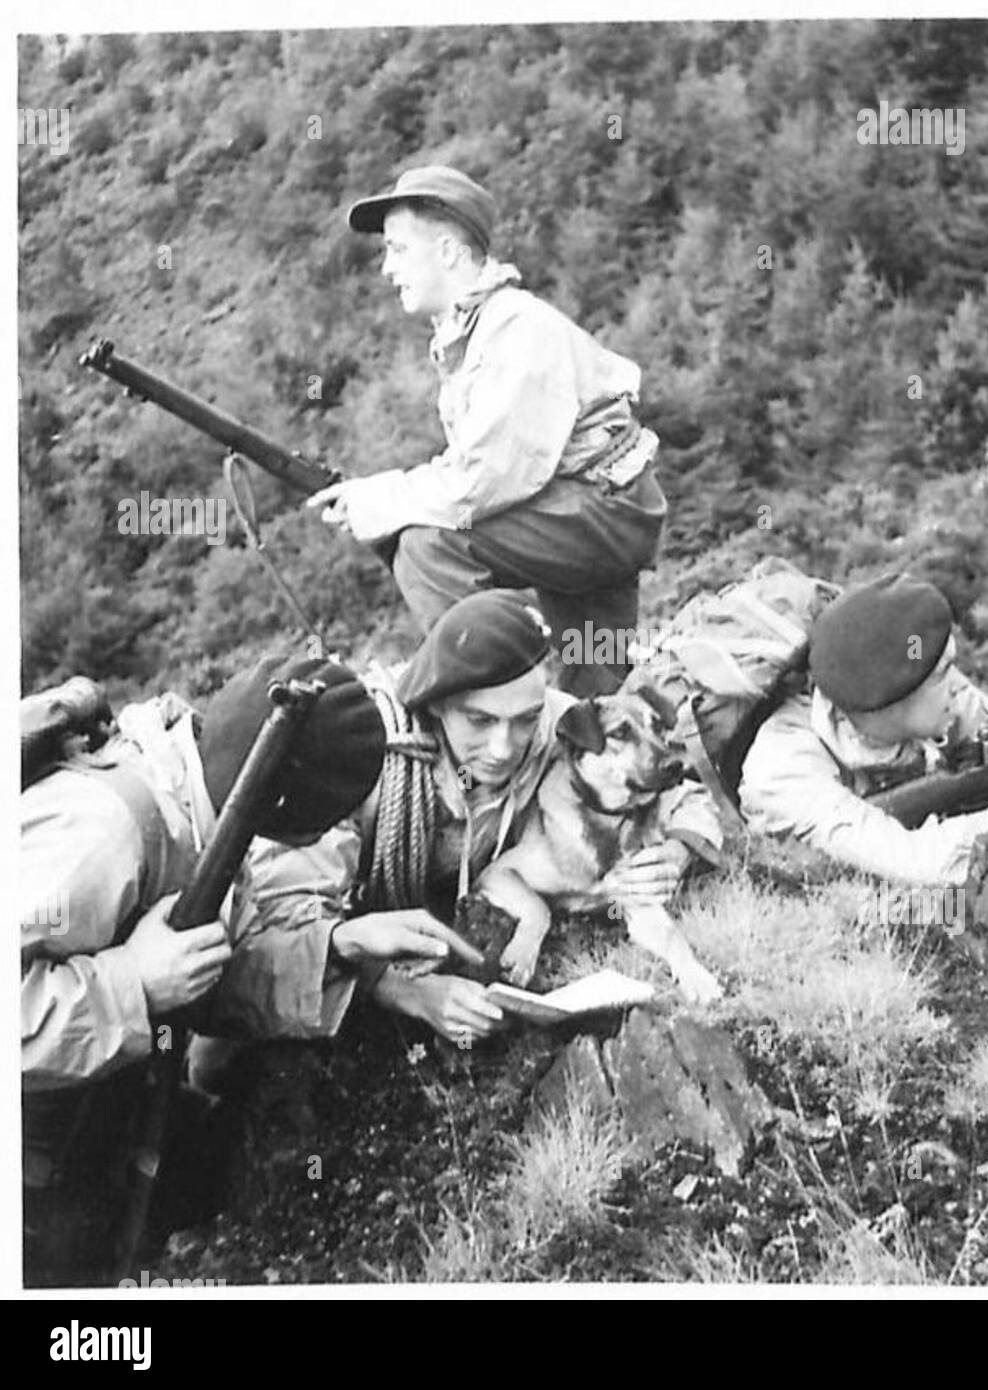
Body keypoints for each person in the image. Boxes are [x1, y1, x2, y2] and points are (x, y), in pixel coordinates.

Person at [20, 654, 451, 1286]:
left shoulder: (202, 807)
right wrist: (133, 983)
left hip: (97, 1123)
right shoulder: (102, 833)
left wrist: (337, 947)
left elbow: (210, 980)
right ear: (293, 813)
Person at [197, 591, 722, 1055]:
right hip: (332, 970)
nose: (503, 748)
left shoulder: (552, 724)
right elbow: (288, 931)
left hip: (441, 933)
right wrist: (408, 993)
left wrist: (675, 853)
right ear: (437, 703)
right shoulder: (359, 761)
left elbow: (687, 797)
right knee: (234, 1068)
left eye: (522, 720)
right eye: (479, 721)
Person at [307, 165, 666, 696]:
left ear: (449, 252)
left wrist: (379, 501)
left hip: (600, 512)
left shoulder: (515, 328)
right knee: (598, 703)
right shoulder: (478, 332)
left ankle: (489, 696)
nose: (387, 269)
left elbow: (484, 481)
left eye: (399, 250)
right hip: (592, 511)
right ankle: (601, 742)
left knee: (426, 545)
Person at [739, 574, 988, 885]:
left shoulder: (936, 705)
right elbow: (920, 865)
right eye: (942, 673)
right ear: (892, 697)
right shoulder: (783, 769)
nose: (959, 686)